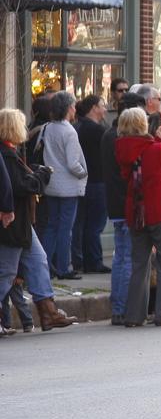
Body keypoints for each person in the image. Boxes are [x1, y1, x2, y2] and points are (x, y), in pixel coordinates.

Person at [0, 109, 77, 332]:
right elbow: (20, 186)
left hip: (20, 221)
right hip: (12, 222)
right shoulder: (6, 154)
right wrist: (41, 176)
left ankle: (48, 311)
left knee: (38, 260)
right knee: (6, 271)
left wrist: (34, 172)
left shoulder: (11, 153)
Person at [115, 107, 161, 327]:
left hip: (136, 213)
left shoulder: (123, 148)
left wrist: (155, 140)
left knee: (139, 263)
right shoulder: (154, 150)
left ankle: (134, 315)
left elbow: (140, 159)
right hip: (158, 210)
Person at [102, 92, 146, 325]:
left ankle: (118, 307)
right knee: (128, 257)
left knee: (121, 258)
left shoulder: (110, 135)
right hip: (127, 203)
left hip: (115, 204)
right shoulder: (122, 140)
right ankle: (124, 307)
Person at [39, 91, 88, 280]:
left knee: (52, 225)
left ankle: (45, 266)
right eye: (74, 106)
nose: (75, 109)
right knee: (65, 228)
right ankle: (63, 267)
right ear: (68, 108)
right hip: (68, 185)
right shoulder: (69, 131)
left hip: (51, 183)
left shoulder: (48, 128)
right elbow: (73, 162)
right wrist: (84, 172)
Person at [72, 95, 110, 273]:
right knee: (95, 225)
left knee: (81, 224)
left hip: (81, 183)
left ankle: (80, 260)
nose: (105, 109)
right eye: (102, 106)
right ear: (94, 108)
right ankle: (93, 261)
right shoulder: (98, 131)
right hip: (97, 181)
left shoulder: (77, 127)